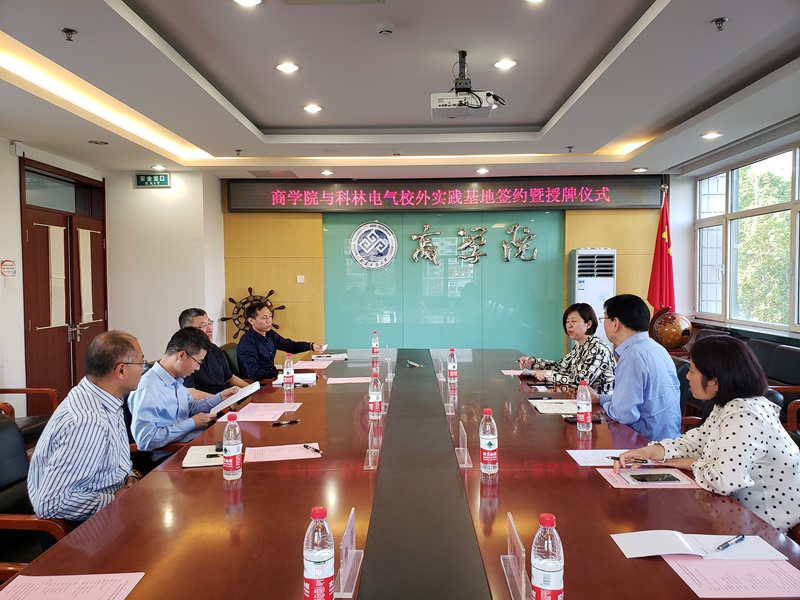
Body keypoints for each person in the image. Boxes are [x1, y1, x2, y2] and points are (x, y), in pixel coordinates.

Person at [616, 336, 800, 534]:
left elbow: (725, 481)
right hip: (734, 514)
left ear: (715, 382)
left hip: (767, 528)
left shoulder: (744, 414)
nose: (687, 377)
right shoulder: (726, 406)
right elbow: (694, 443)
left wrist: (691, 463)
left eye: (692, 371)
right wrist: (649, 452)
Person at [28, 331, 146, 522]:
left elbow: (109, 459)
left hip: (110, 504)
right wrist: (115, 498)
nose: (143, 369)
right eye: (141, 362)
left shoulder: (104, 397)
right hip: (80, 526)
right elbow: (51, 503)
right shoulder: (88, 421)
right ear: (121, 371)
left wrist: (128, 476)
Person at [129, 327, 239, 456]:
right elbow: (145, 440)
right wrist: (191, 423)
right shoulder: (147, 389)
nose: (197, 368)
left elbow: (190, 407)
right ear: (181, 355)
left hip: (194, 443)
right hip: (173, 454)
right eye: (198, 362)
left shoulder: (176, 380)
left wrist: (219, 397)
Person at [588, 294, 681, 440]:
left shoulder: (632, 356)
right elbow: (635, 400)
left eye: (604, 318)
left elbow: (623, 414)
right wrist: (600, 398)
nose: (603, 324)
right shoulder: (657, 348)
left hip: (644, 443)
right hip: (669, 440)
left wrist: (604, 407)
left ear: (615, 323)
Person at [518, 303, 615, 393]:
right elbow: (560, 367)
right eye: (567, 321)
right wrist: (534, 361)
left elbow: (581, 382)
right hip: (581, 399)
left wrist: (548, 375)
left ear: (589, 324)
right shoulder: (579, 346)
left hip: (600, 404)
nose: (569, 325)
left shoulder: (598, 348)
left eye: (573, 321)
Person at [236, 302, 323, 380]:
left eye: (270, 316)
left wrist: (311, 346)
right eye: (264, 318)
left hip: (272, 378)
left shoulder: (270, 334)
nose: (269, 321)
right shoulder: (247, 342)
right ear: (251, 321)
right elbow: (254, 373)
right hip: (259, 384)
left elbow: (290, 346)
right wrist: (277, 373)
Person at [178, 308, 249, 398]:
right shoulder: (184, 358)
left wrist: (251, 389)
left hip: (228, 398)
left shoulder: (214, 349)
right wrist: (219, 399)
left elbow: (230, 377)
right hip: (210, 403)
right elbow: (190, 392)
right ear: (187, 331)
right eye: (203, 326)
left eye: (210, 323)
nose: (210, 329)